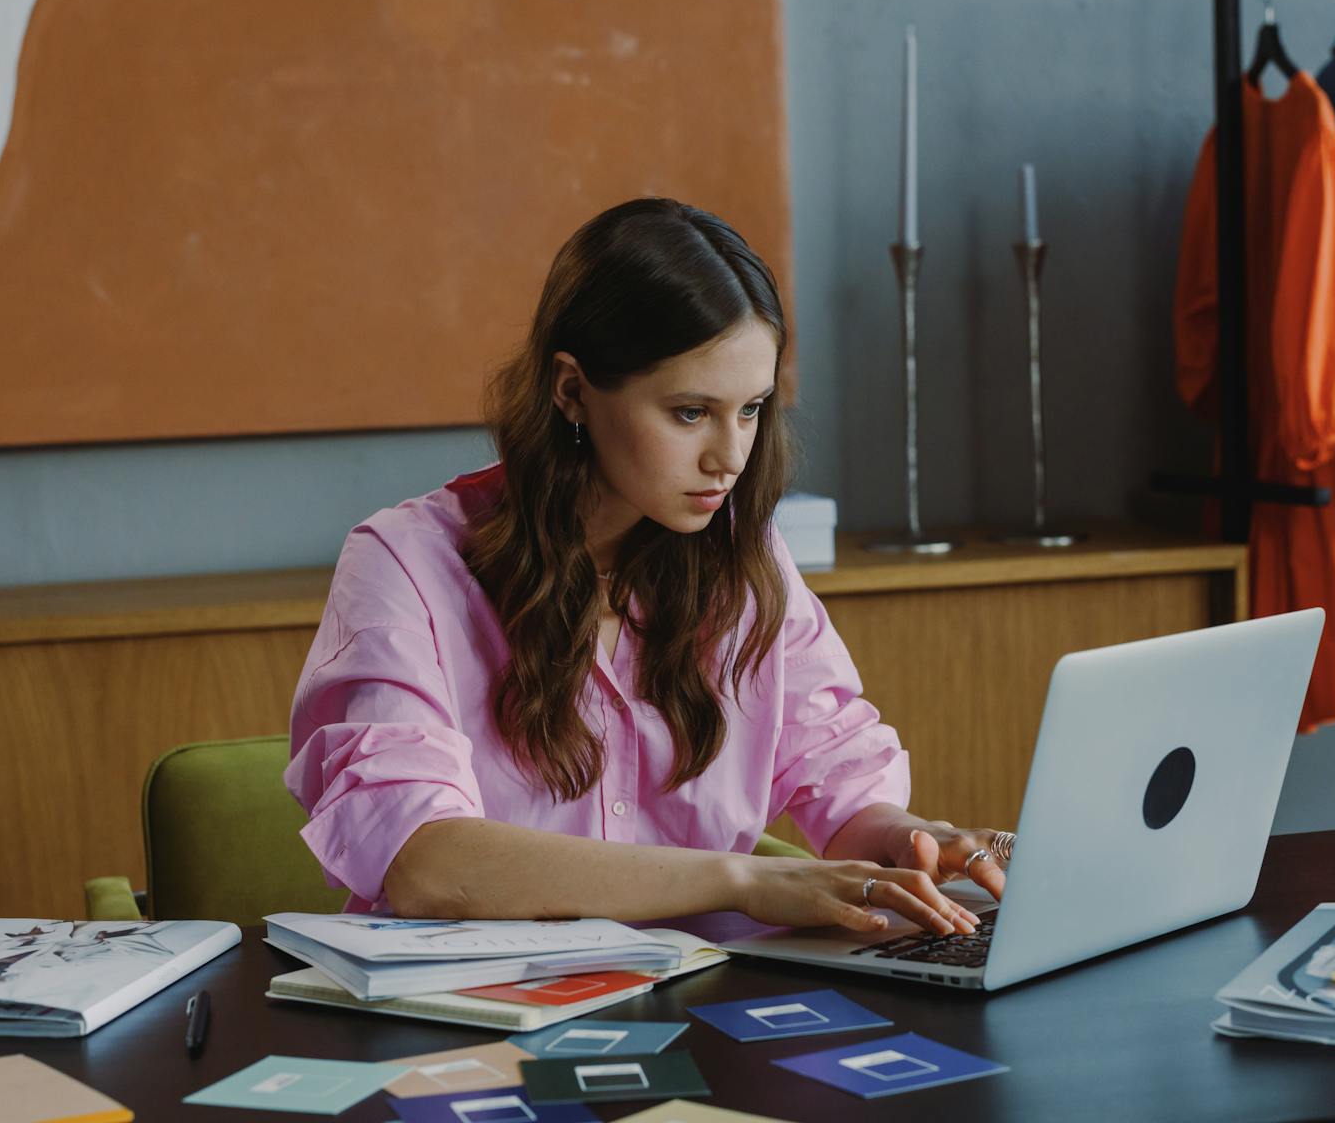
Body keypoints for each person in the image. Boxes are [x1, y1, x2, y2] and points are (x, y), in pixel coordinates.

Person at [286, 197, 1010, 938]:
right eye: (691, 413)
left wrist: (902, 839)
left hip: (700, 1009)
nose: (731, 458)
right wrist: (741, 879)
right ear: (573, 391)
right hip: (480, 1024)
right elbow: (425, 863)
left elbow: (841, 780)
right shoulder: (406, 565)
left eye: (753, 409)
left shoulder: (744, 556)